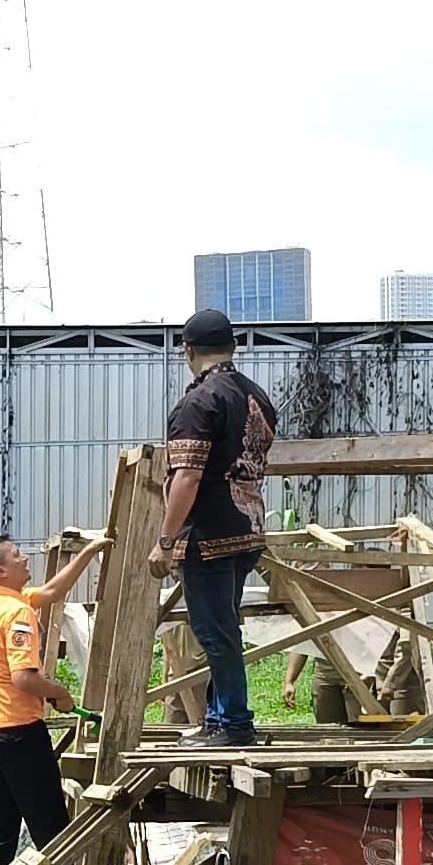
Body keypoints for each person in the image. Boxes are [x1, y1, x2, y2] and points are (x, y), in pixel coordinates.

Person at [148, 308, 277, 745]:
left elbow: (186, 474)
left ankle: (235, 723)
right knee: (223, 626)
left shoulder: (199, 402)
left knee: (214, 631)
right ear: (232, 347)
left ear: (188, 350)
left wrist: (166, 540)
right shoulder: (255, 396)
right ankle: (220, 719)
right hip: (248, 525)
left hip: (209, 533)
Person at [0, 533, 98, 865]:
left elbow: (53, 591)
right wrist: (61, 693)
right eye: (18, 556)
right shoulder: (17, 612)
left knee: (0, 824)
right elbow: (24, 678)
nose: (26, 559)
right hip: (18, 732)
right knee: (51, 826)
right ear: (0, 569)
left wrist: (89, 552)